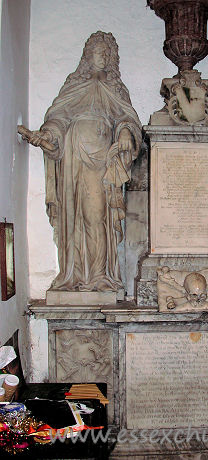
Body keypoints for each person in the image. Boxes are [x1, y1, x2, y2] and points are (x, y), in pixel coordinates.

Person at [29, 31, 142, 292]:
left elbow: (127, 117)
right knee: (73, 217)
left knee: (96, 216)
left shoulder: (115, 88)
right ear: (87, 55)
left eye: (107, 53)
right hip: (73, 158)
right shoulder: (74, 84)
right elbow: (58, 116)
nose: (102, 56)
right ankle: (75, 275)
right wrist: (48, 135)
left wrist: (125, 130)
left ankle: (101, 276)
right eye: (97, 51)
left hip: (101, 161)